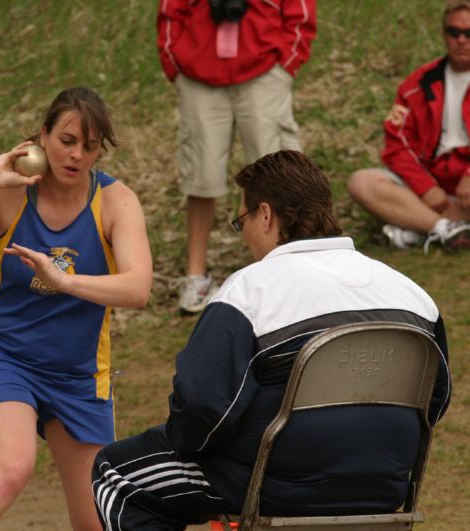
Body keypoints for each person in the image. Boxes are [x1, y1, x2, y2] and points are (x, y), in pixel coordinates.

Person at [91, 150, 452, 531]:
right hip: (385, 483)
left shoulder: (251, 291)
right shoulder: (413, 295)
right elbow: (436, 400)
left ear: (265, 215)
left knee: (116, 474)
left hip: (273, 484)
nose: (243, 231)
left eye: (240, 220)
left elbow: (202, 409)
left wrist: (194, 450)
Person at [0, 87, 153, 531]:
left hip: (78, 372)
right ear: (43, 136)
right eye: (67, 140)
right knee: (12, 468)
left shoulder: (116, 202)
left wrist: (66, 281)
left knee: (96, 518)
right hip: (5, 356)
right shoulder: (11, 193)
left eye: (89, 146)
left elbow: (138, 288)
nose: (76, 155)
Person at [157, 0, 316, 314]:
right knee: (202, 179)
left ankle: (286, 272)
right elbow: (170, 11)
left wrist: (287, 62)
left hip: (264, 69)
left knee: (279, 178)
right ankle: (196, 277)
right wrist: (174, 60)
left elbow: (300, 10)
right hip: (199, 73)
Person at [348, 0, 470, 253]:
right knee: (361, 182)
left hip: (465, 183)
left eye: (468, 33)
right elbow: (397, 145)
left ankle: (417, 228)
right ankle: (444, 228)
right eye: (453, 32)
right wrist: (427, 189)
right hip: (431, 185)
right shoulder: (418, 83)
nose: (461, 40)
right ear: (443, 35)